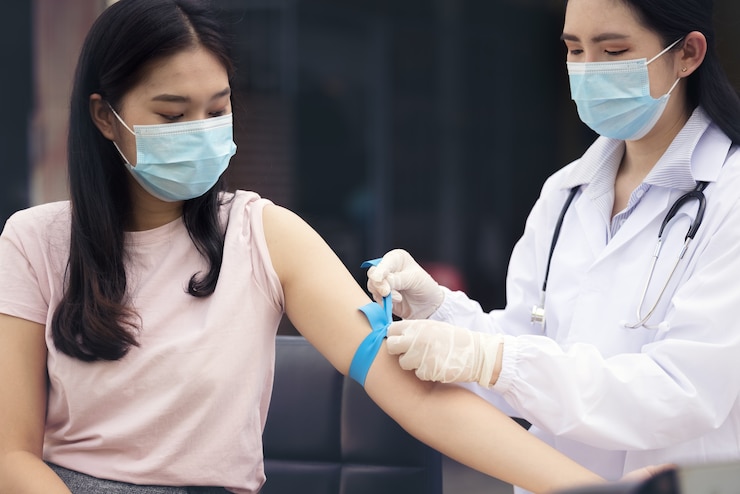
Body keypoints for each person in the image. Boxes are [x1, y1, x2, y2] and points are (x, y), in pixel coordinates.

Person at [0, 1, 619, 493]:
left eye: (217, 110)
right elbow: (11, 455)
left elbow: (414, 397)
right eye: (171, 115)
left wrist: (585, 488)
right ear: (106, 117)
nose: (200, 132)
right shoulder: (35, 242)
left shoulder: (263, 235)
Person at [366, 0, 740, 490]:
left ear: (687, 53)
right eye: (574, 50)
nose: (587, 71)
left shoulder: (729, 196)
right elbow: (524, 350)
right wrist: (437, 312)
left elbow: (683, 391)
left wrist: (496, 360)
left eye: (613, 51)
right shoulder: (566, 193)